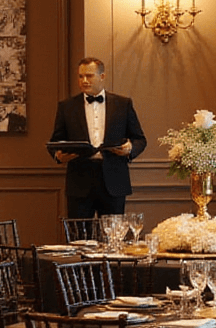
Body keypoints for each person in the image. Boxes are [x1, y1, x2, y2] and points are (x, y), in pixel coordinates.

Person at [48, 57, 145, 217]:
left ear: (102, 77)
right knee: (78, 237)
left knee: (113, 236)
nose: (84, 81)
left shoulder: (123, 104)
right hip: (79, 180)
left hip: (114, 179)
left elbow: (140, 139)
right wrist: (58, 156)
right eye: (80, 76)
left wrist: (129, 149)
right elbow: (55, 141)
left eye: (89, 76)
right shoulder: (67, 107)